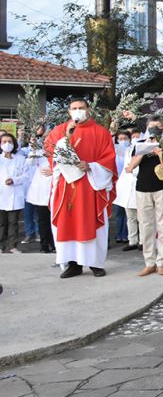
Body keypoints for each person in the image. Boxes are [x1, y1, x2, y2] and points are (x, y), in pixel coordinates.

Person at [45, 97, 117, 278]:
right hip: (66, 187)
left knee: (90, 222)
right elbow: (51, 153)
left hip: (90, 186)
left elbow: (109, 159)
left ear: (88, 110)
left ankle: (95, 263)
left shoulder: (101, 133)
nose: (78, 111)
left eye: (81, 108)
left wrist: (91, 165)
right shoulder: (58, 131)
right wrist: (67, 137)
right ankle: (73, 264)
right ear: (69, 112)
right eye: (74, 108)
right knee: (67, 223)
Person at [129, 116, 163, 276]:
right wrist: (145, 149)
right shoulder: (140, 143)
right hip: (143, 188)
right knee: (146, 226)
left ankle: (161, 262)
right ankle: (149, 262)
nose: (154, 128)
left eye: (157, 125)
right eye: (151, 125)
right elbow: (131, 166)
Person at [25, 135, 54, 254]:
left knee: (55, 220)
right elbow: (29, 163)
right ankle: (44, 245)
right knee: (42, 220)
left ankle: (55, 244)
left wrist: (53, 171)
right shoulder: (39, 152)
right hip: (41, 192)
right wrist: (32, 147)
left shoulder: (61, 152)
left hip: (55, 190)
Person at [0, 132, 28, 253]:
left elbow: (26, 175)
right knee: (1, 223)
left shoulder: (21, 159)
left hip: (15, 194)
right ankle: (1, 246)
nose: (7, 144)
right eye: (4, 142)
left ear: (14, 144)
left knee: (13, 222)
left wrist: (14, 180)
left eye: (10, 142)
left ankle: (12, 246)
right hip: (1, 194)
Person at [110, 129, 131, 244]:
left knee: (128, 211)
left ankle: (127, 235)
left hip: (128, 184)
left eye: (125, 139)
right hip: (117, 184)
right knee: (119, 212)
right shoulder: (115, 153)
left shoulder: (131, 150)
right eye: (120, 139)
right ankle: (119, 234)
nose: (123, 141)